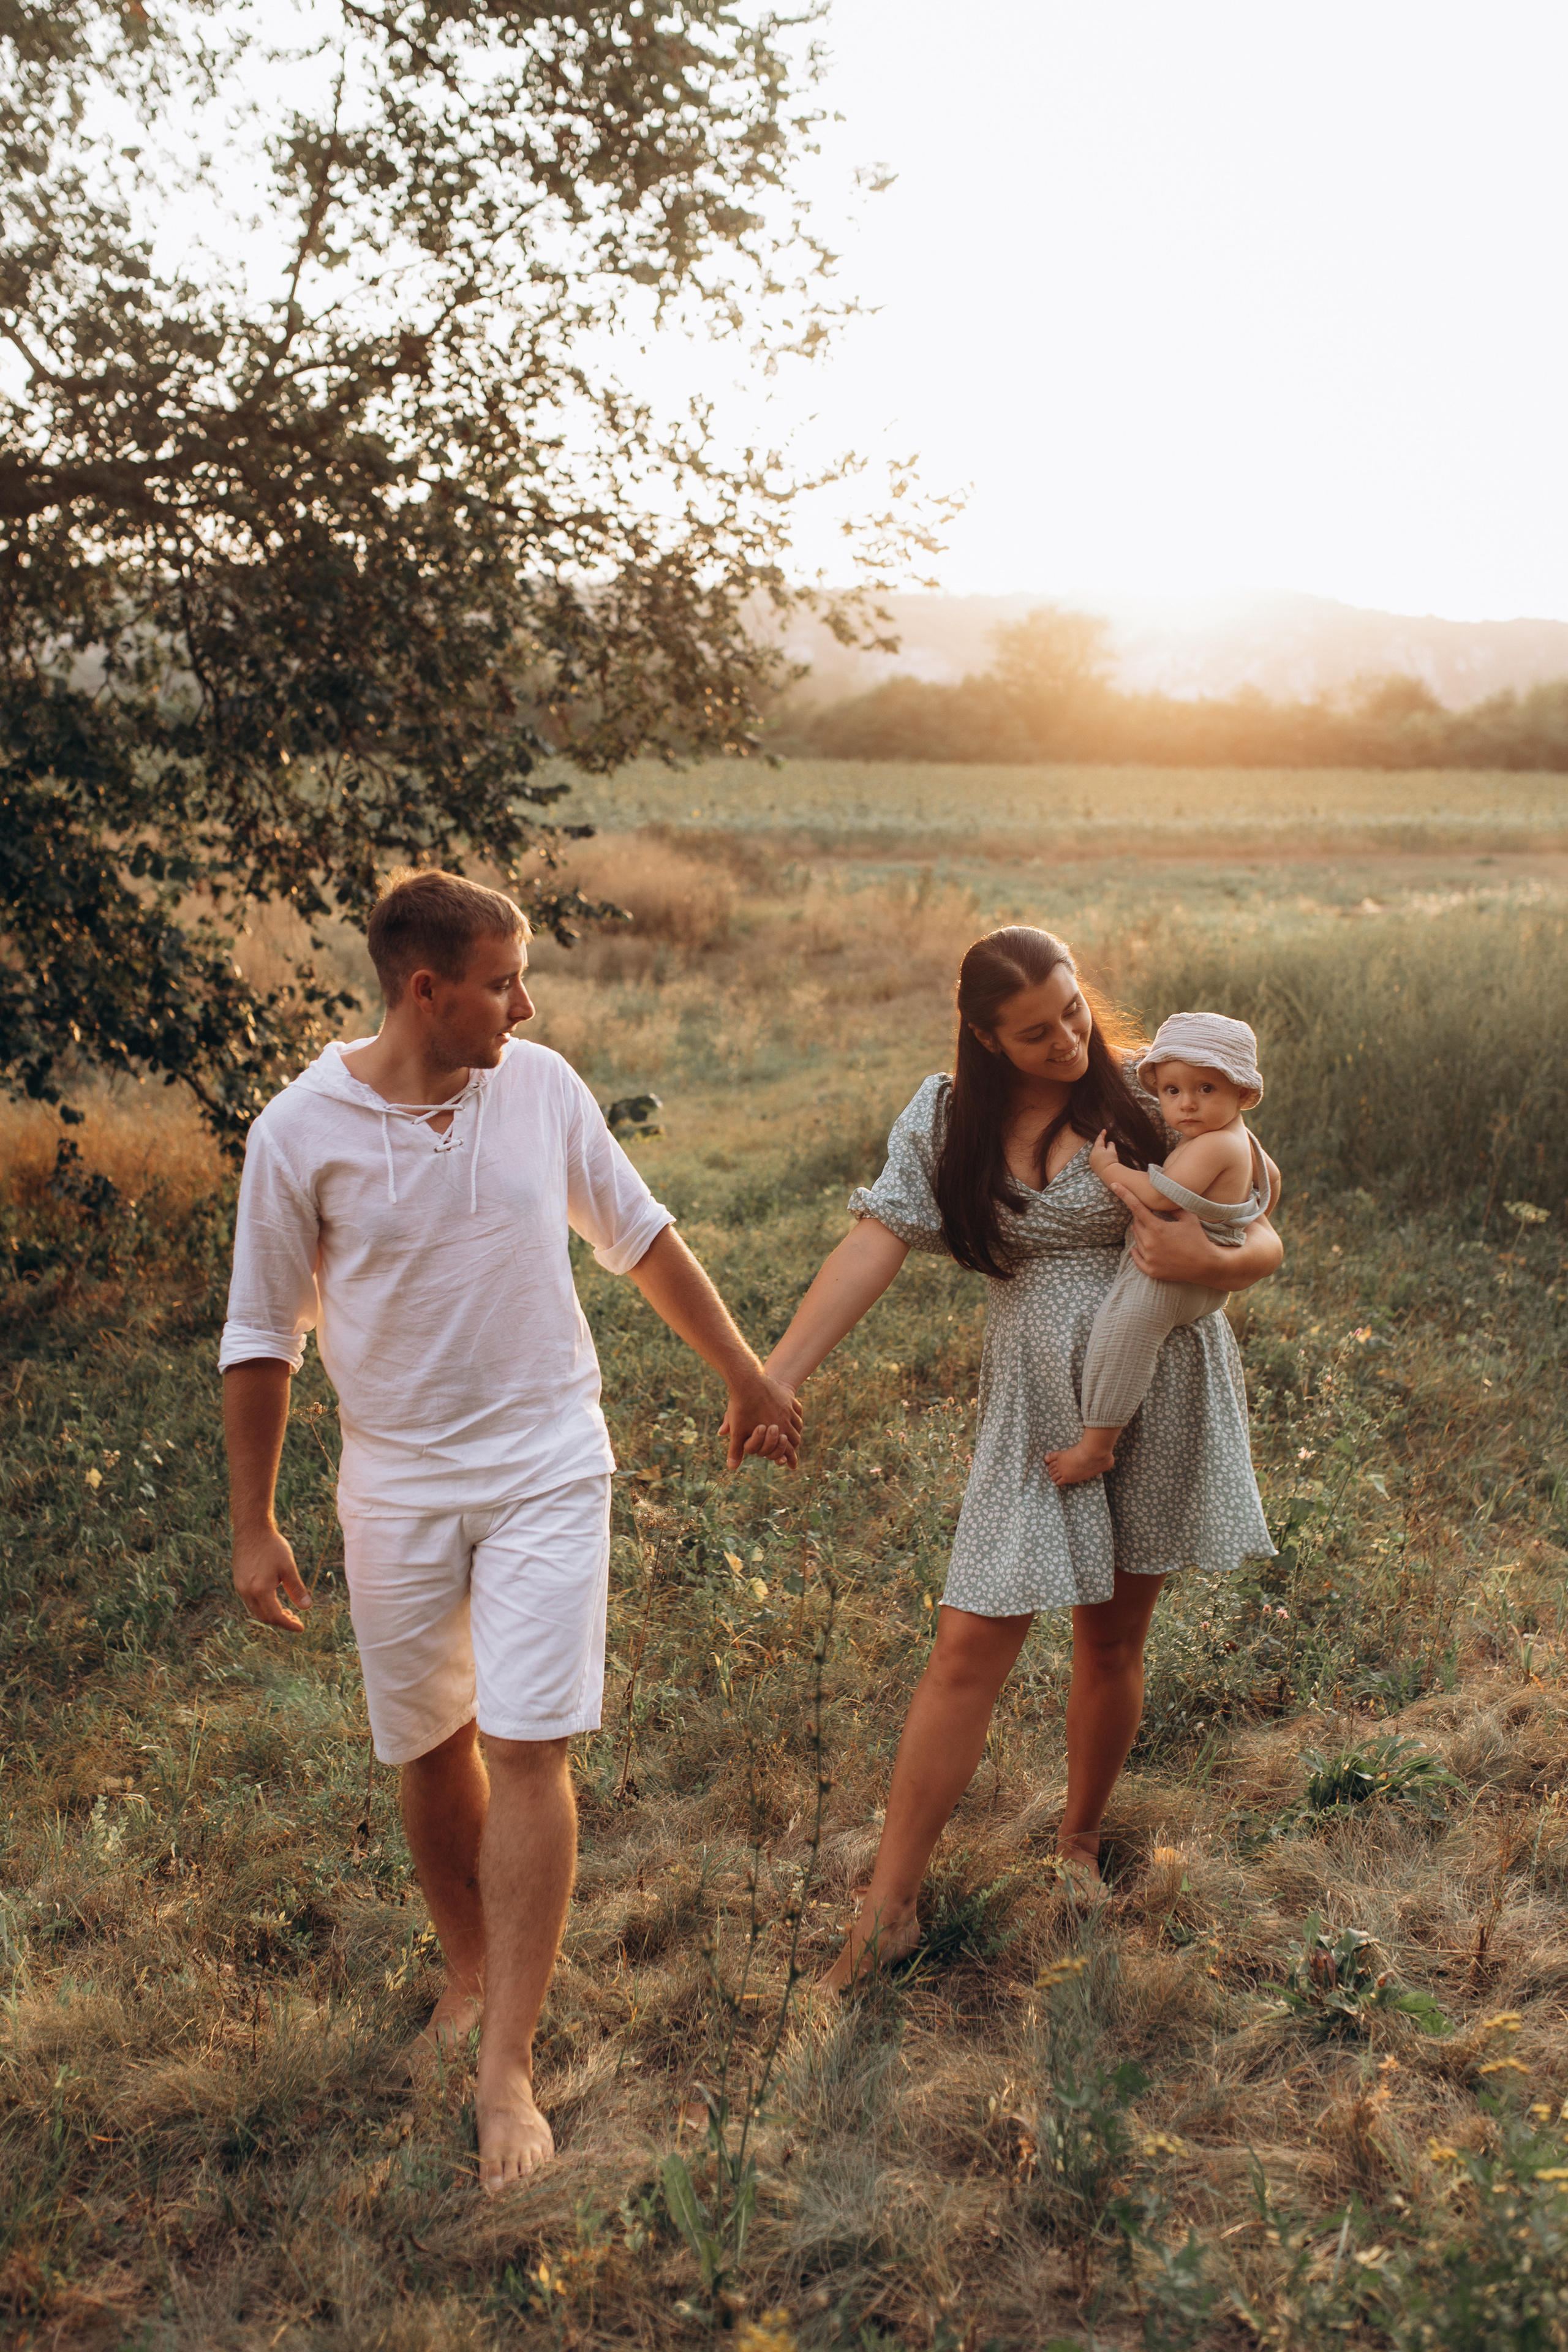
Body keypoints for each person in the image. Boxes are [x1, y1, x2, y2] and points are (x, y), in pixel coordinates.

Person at [221, 869, 799, 2191]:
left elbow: (639, 1234)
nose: (522, 1006)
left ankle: (508, 2069)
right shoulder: (296, 1133)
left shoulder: (540, 1089)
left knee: (528, 1745)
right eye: (499, 983)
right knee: (428, 1749)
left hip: (547, 1460)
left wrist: (744, 1372)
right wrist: (253, 1523)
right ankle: (469, 1974)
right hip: (398, 1487)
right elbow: (261, 1340)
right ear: (424, 990)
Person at [755, 926, 1281, 1989]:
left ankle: (1079, 1838)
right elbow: (874, 1241)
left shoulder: (1150, 1094)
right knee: (967, 1645)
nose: (1069, 1039)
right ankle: (889, 1906)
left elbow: (1259, 1221)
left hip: (1159, 1385)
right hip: (1036, 1400)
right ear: (986, 1038)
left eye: (1076, 1011)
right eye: (1036, 1032)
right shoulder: (946, 1119)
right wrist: (778, 1376)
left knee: (1113, 1638)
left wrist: (1217, 1260)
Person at [1045, 1011, 1272, 1488]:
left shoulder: (1217, 1145)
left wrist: (1109, 1169)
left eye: (1206, 1090)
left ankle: (1096, 1448)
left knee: (1124, 1331)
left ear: (1243, 1094)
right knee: (1122, 1323)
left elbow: (1159, 1194)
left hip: (1184, 1272)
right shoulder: (1225, 1135)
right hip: (1188, 1264)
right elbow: (1271, 1179)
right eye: (1173, 1091)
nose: (1187, 1104)